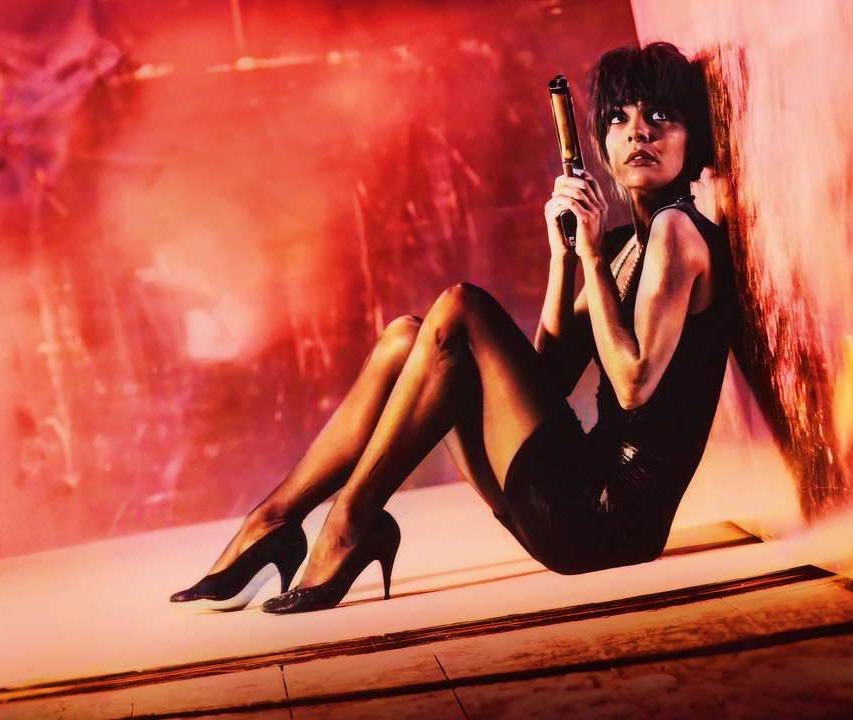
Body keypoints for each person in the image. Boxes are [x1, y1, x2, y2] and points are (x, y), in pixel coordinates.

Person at [170, 41, 733, 614]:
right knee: (405, 340)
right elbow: (548, 379)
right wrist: (564, 258)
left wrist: (589, 257)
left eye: (659, 116)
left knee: (461, 307)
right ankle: (274, 520)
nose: (638, 132)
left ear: (693, 137)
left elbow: (634, 384)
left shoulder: (677, 232)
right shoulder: (622, 246)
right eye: (618, 119)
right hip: (565, 508)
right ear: (601, 145)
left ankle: (348, 523)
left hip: (607, 518)